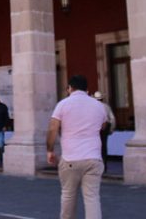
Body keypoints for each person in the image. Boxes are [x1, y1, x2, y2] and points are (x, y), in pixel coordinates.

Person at [46, 74, 108, 219]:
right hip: (93, 157)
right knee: (92, 198)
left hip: (71, 157)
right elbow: (103, 126)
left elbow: (53, 128)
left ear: (70, 88)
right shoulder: (99, 106)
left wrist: (50, 150)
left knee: (68, 195)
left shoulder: (63, 104)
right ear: (87, 89)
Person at [93, 91, 116, 172]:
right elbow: (112, 119)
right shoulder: (106, 107)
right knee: (103, 146)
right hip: (105, 127)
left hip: (95, 127)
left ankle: (97, 165)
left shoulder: (92, 107)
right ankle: (104, 165)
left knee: (95, 147)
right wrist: (111, 129)